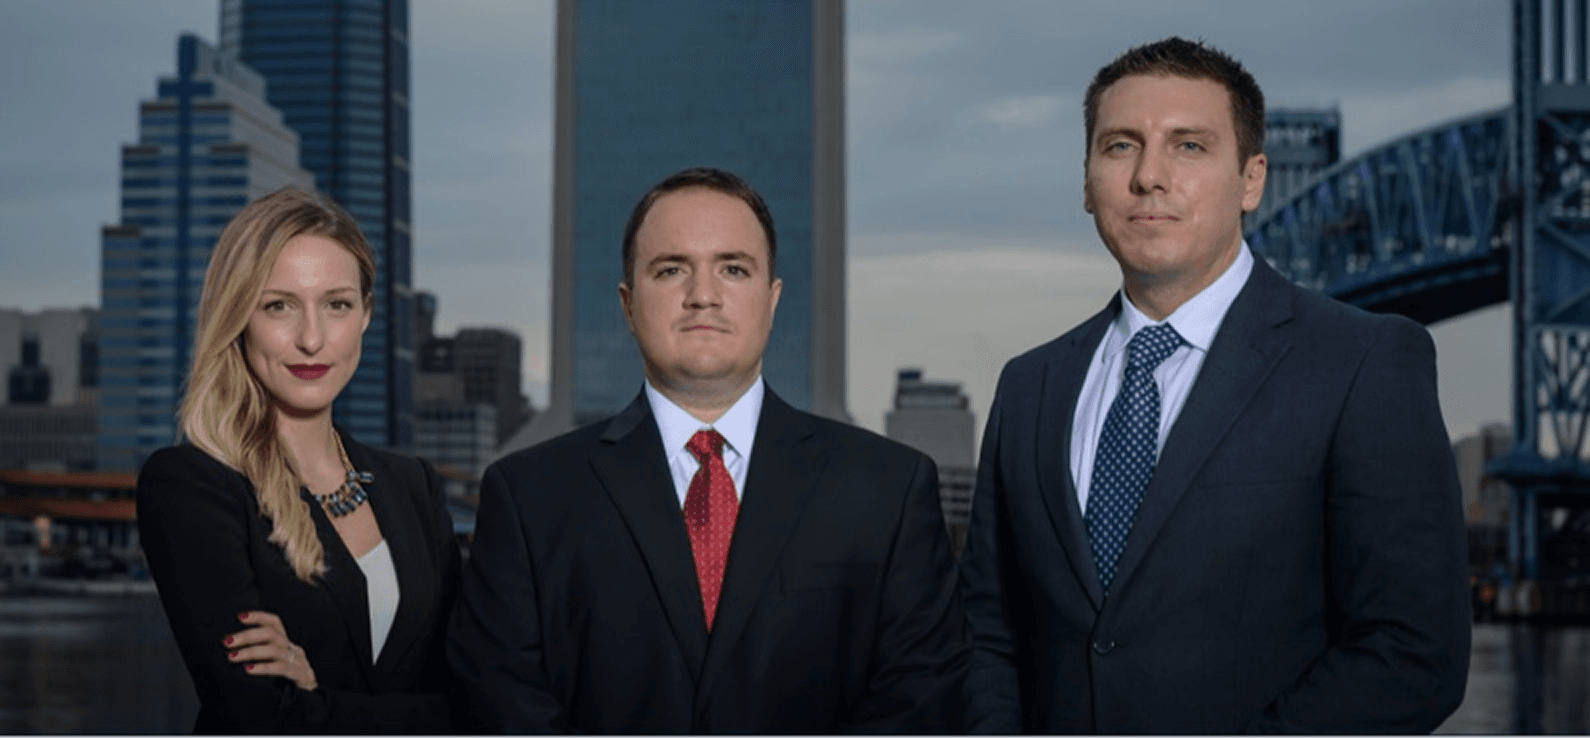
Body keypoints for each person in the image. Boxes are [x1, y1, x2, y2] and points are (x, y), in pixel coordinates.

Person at [958, 37, 1471, 733]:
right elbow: (987, 635)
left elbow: (1414, 654)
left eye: (1189, 147)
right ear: (1086, 182)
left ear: (1252, 179)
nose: (1148, 177)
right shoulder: (1030, 386)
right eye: (1119, 147)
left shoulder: (1364, 362)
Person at [448, 167, 968, 733]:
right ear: (628, 303)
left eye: (733, 269)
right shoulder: (529, 497)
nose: (703, 296)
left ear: (771, 300)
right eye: (671, 270)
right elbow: (502, 703)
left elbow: (919, 699)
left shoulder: (886, 489)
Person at [137, 188, 461, 733]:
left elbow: (479, 700)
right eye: (278, 306)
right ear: (238, 316)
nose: (312, 339)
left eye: (337, 304)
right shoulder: (193, 487)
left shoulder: (413, 487)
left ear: (365, 316)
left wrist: (321, 701)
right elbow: (261, 715)